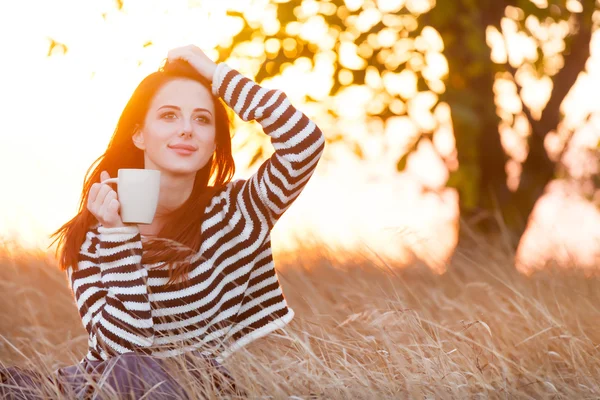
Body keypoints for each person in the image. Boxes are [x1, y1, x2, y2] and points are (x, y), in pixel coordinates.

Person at [0, 44, 325, 399]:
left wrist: (217, 75)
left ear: (215, 141)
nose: (186, 129)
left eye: (202, 119)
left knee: (143, 372)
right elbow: (124, 346)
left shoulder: (238, 212)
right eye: (169, 116)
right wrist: (119, 236)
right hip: (102, 386)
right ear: (139, 134)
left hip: (194, 387)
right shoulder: (93, 239)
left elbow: (304, 142)